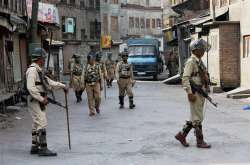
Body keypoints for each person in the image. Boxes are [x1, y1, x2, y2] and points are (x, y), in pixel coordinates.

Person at [26, 48, 68, 156]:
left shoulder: (39, 70)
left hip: (38, 100)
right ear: (39, 58)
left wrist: (62, 86)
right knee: (42, 121)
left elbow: (49, 82)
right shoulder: (32, 70)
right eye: (43, 58)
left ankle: (34, 146)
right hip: (35, 100)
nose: (44, 60)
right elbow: (30, 88)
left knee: (36, 122)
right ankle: (43, 148)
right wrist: (41, 98)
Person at [175, 38, 211, 149]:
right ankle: (200, 141)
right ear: (195, 50)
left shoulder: (199, 62)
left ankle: (181, 135)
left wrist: (207, 85)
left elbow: (203, 76)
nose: (204, 50)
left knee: (195, 116)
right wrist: (189, 92)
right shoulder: (191, 62)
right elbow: (185, 78)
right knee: (197, 118)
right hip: (194, 92)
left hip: (201, 91)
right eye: (201, 49)